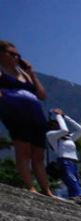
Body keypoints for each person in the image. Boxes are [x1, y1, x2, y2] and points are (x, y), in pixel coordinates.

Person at [0, 41, 52, 196]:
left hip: (36, 115)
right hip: (16, 113)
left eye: (18, 55)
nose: (16, 57)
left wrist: (31, 73)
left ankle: (46, 189)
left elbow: (42, 95)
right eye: (12, 53)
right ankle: (30, 186)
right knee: (24, 152)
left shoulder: (25, 74)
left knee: (38, 155)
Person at [44, 108, 81, 199]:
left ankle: (76, 199)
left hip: (73, 163)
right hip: (64, 162)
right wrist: (59, 116)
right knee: (73, 184)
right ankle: (77, 199)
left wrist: (65, 117)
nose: (57, 126)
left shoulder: (68, 138)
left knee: (76, 184)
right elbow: (64, 130)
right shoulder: (50, 135)